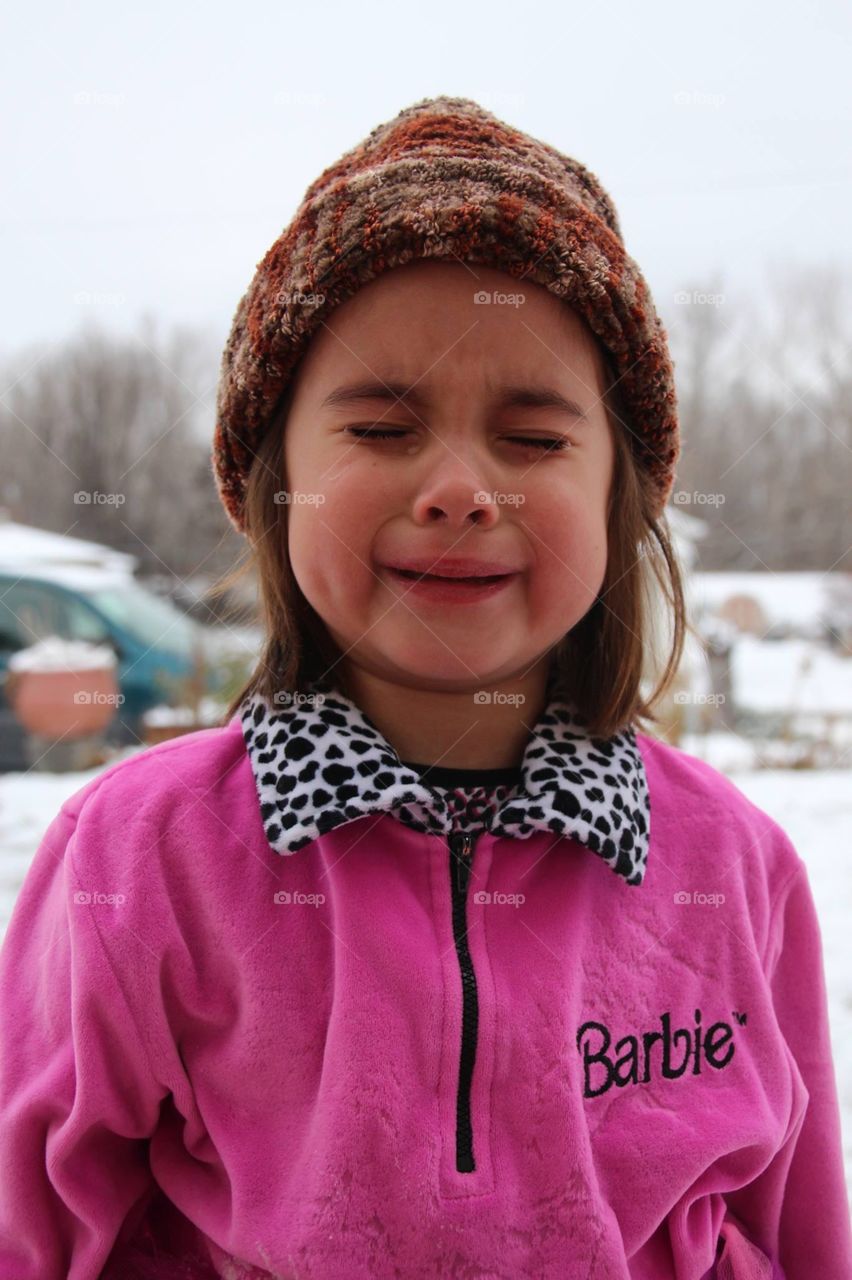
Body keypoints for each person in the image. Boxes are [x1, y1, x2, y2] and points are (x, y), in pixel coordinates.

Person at [0, 96, 849, 1280]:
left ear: (621, 498)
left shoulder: (738, 872)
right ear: (273, 480)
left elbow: (801, 1238)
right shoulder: (137, 859)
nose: (458, 488)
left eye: (536, 438)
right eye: (385, 425)